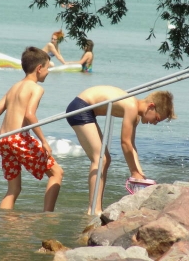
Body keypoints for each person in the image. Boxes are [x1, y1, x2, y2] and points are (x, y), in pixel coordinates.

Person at [66, 86, 176, 215]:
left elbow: (132, 146)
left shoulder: (136, 116)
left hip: (88, 111)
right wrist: (134, 172)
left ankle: (96, 207)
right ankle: (93, 210)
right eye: (157, 118)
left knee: (105, 160)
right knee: (100, 158)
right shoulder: (131, 106)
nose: (155, 123)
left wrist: (140, 173)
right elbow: (125, 143)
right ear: (151, 106)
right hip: (80, 107)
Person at [0, 47, 64, 212]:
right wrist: (44, 141)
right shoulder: (36, 88)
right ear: (39, 68)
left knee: (13, 189)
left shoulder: (14, 87)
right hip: (18, 138)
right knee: (57, 173)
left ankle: (5, 222)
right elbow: (30, 115)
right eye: (47, 68)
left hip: (5, 139)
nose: (48, 72)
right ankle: (47, 215)